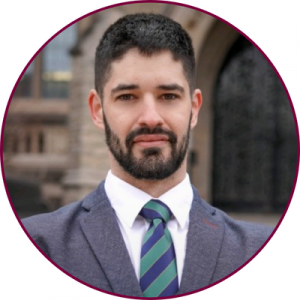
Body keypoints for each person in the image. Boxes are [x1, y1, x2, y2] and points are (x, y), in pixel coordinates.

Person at [22, 13, 273, 297]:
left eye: (168, 96)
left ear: (194, 108)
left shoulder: (260, 252)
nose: (151, 118)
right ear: (97, 109)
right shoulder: (35, 246)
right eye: (127, 96)